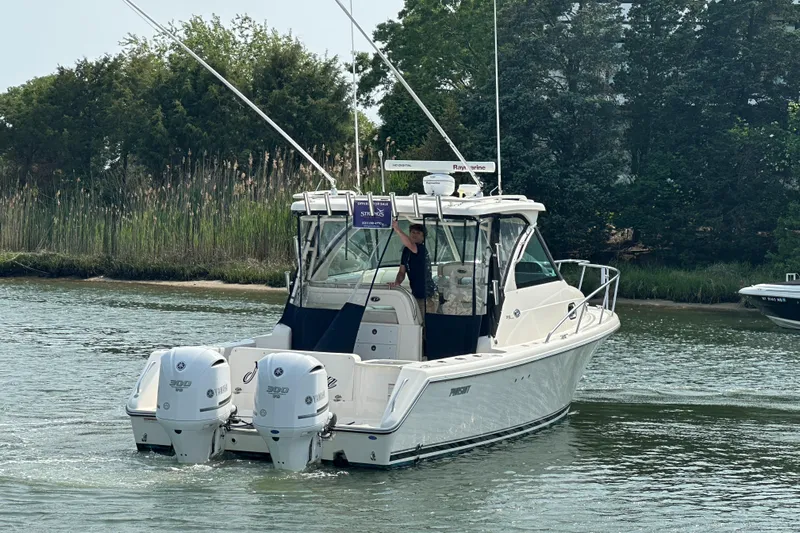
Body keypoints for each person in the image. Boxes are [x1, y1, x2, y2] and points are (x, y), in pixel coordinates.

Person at [390, 220, 436, 322]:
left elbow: (411, 245)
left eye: (418, 233)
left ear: (423, 237)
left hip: (427, 295)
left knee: (425, 324)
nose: (415, 235)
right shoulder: (406, 251)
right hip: (416, 294)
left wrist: (397, 229)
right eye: (413, 232)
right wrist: (397, 282)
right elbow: (402, 271)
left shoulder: (421, 249)